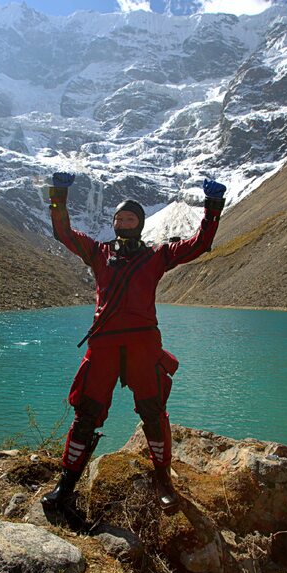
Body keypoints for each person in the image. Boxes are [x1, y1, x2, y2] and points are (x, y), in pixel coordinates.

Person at [42, 172, 226, 514]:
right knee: (86, 416)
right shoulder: (97, 252)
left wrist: (212, 208)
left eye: (129, 218)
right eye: (118, 218)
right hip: (105, 346)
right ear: (113, 224)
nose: (123, 222)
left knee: (154, 415)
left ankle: (163, 481)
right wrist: (59, 197)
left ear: (139, 224)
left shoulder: (156, 255)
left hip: (142, 346)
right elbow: (63, 232)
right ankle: (65, 486)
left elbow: (199, 244)